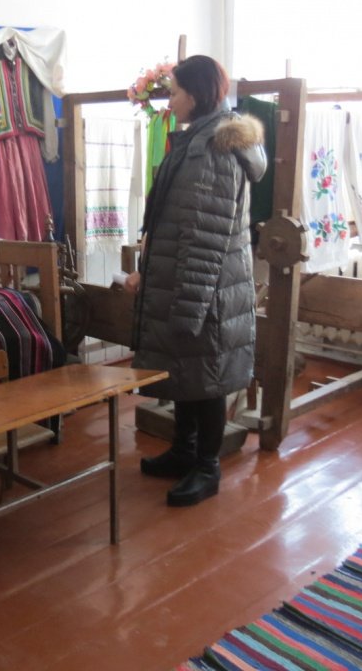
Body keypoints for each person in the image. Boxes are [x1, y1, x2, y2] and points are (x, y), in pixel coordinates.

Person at [125, 55, 267, 507]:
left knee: (206, 375)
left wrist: (192, 301)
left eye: (174, 93)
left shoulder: (215, 149)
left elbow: (206, 234)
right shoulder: (199, 139)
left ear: (196, 94)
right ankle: (184, 451)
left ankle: (207, 466)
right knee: (188, 367)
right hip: (191, 279)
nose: (169, 102)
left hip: (207, 286)